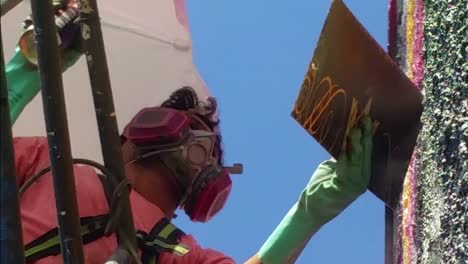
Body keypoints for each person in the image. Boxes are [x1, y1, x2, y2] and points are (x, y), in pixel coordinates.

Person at [5, 7, 373, 264]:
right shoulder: (49, 163)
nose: (197, 142)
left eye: (209, 145)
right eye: (185, 123)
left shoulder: (177, 250)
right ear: (132, 133)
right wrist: (27, 66)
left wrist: (309, 212)